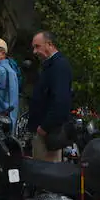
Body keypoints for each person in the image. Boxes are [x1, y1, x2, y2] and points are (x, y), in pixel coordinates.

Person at [27, 31, 73, 162]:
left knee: (47, 173)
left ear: (49, 44)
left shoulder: (59, 66)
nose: (35, 51)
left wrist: (45, 127)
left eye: (37, 46)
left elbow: (61, 100)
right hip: (43, 130)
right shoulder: (49, 66)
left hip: (49, 133)